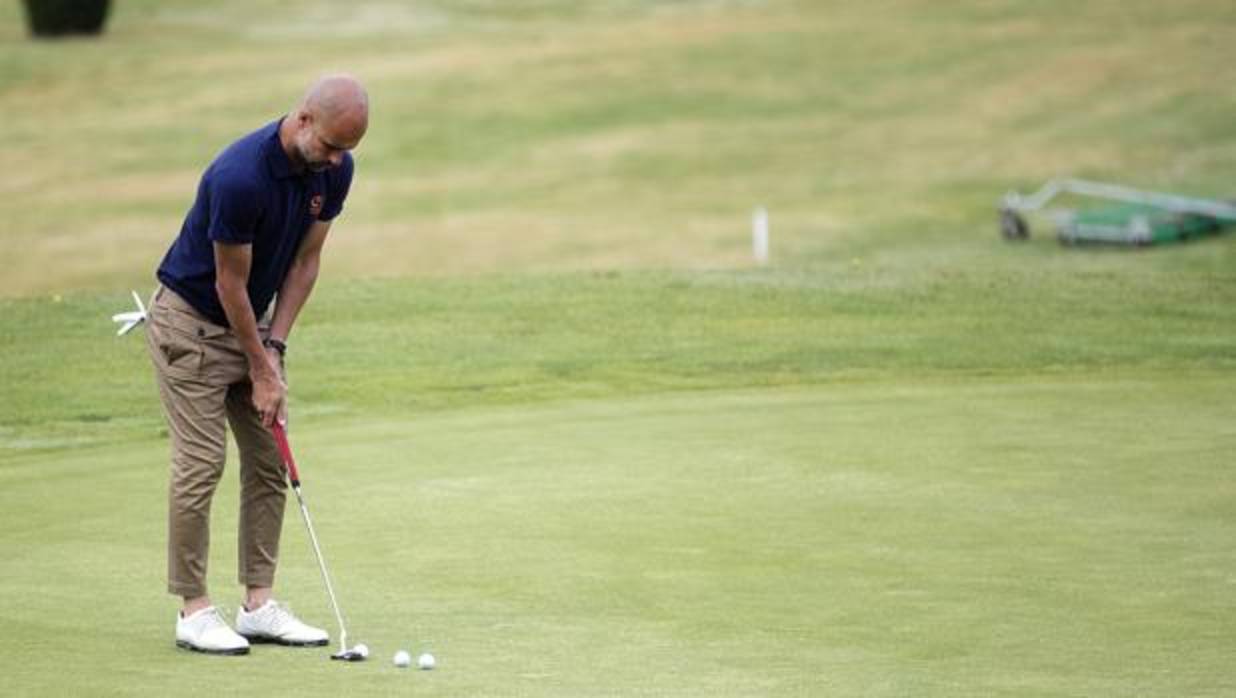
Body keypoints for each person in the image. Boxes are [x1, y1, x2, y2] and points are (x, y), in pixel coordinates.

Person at [145, 75, 368, 655]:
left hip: (252, 326)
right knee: (202, 462)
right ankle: (193, 611)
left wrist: (276, 349)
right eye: (328, 147)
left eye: (345, 152)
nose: (335, 161)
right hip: (190, 327)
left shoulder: (335, 170)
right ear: (302, 120)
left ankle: (258, 605)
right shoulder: (239, 176)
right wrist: (260, 366)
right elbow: (230, 283)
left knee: (269, 458)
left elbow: (305, 262)